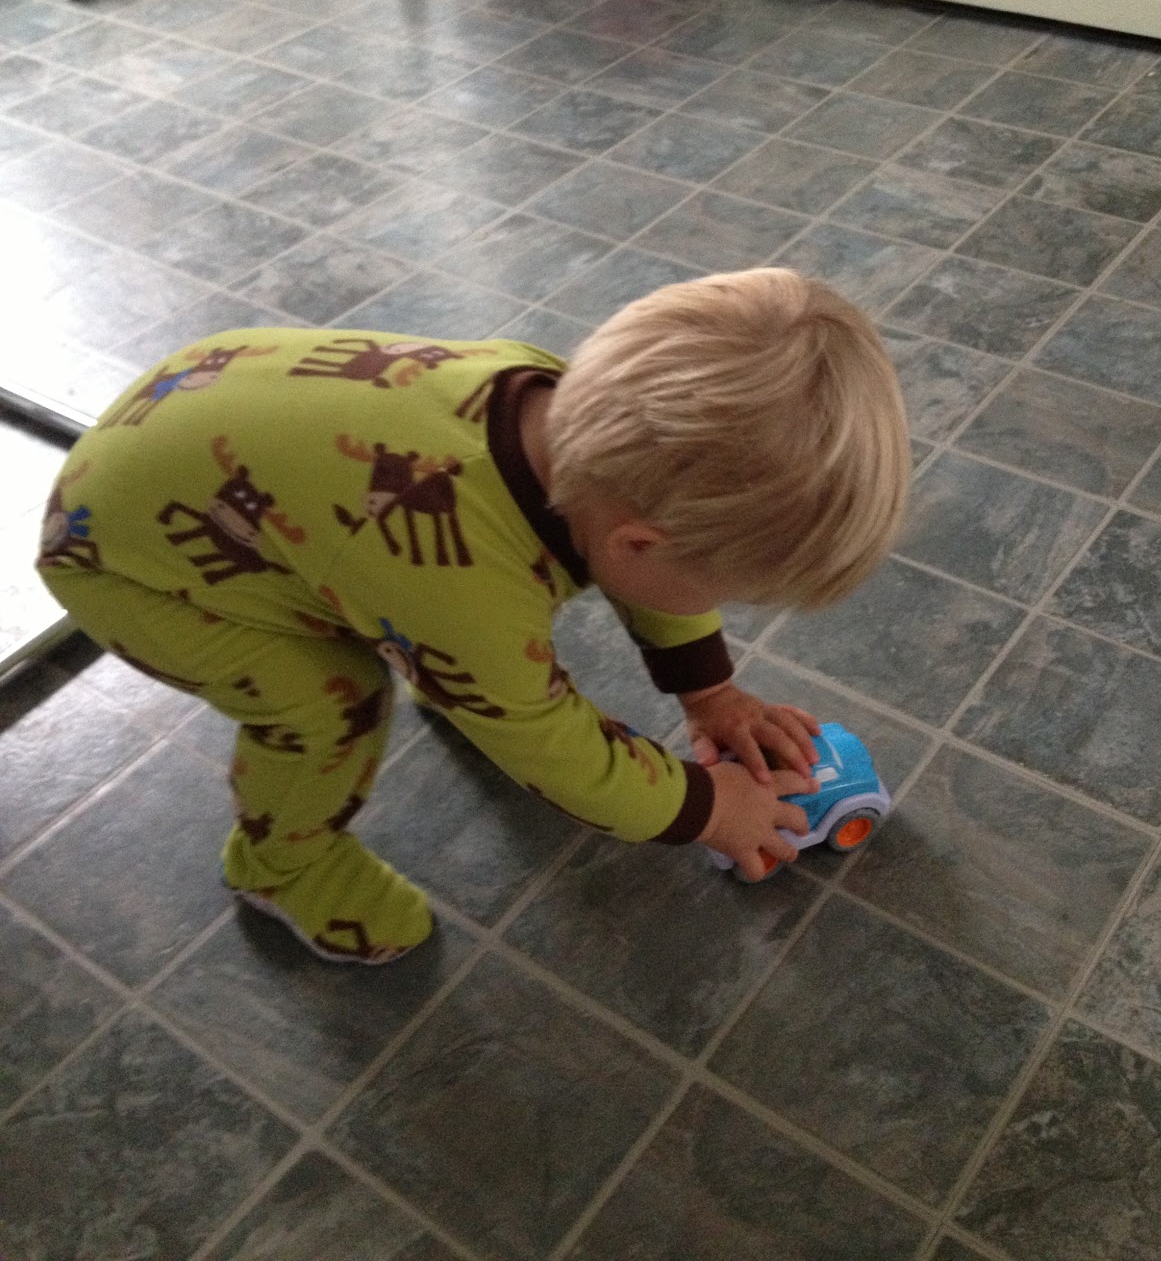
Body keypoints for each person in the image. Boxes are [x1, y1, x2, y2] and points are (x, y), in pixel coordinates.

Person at [36, 268, 910, 965]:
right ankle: (281, 865)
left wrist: (709, 691)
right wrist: (707, 807)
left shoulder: (571, 416)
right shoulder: (460, 572)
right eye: (728, 589)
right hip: (132, 561)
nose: (722, 608)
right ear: (641, 542)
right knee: (329, 703)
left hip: (203, 411)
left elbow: (643, 571)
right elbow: (552, 748)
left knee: (432, 618)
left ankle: (429, 660)